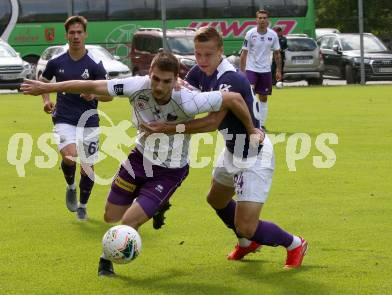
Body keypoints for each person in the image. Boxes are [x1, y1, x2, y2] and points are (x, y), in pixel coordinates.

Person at [21, 51, 262, 276]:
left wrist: (253, 129)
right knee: (110, 216)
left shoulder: (189, 100)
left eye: (166, 81)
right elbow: (90, 85)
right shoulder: (136, 86)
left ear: (175, 79)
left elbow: (234, 98)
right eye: (155, 79)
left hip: (170, 170)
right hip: (138, 158)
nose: (159, 86)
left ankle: (106, 259)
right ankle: (157, 205)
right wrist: (47, 87)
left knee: (130, 221)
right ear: (150, 74)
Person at [143, 27, 307, 269]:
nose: (201, 60)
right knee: (216, 199)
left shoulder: (229, 79)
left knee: (247, 226)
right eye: (198, 54)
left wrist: (167, 128)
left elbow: (211, 122)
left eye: (208, 55)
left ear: (220, 51)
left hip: (253, 155)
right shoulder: (201, 71)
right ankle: (246, 243)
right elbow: (182, 98)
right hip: (232, 150)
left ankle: (294, 244)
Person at [38, 16, 109, 221]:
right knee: (70, 157)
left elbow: (109, 96)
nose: (76, 36)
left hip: (89, 121)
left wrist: (94, 95)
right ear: (66, 35)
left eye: (79, 32)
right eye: (72, 33)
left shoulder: (95, 64)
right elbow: (43, 83)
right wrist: (46, 100)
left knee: (87, 169)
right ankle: (70, 186)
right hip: (64, 119)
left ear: (85, 35)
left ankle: (83, 207)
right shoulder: (56, 62)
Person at [240, 10, 282, 131]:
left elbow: (277, 54)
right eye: (260, 18)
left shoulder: (273, 35)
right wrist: (242, 72)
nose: (262, 20)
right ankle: (251, 123)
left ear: (267, 20)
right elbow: (244, 53)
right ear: (256, 20)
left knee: (263, 97)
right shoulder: (250, 34)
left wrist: (278, 70)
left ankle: (262, 125)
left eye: (264, 18)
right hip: (251, 69)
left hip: (265, 70)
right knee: (250, 95)